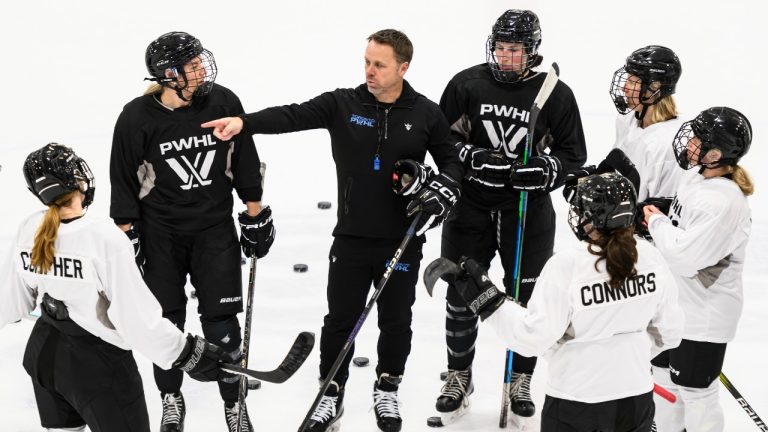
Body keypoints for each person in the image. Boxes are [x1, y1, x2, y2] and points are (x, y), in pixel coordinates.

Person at [202, 29, 463, 432]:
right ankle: (331, 392)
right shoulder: (343, 103)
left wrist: (443, 188)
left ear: (403, 67)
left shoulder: (426, 114)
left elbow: (452, 163)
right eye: (366, 62)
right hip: (352, 238)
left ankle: (387, 387)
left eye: (379, 65)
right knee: (340, 319)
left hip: (403, 239)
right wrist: (244, 123)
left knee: (396, 320)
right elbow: (293, 114)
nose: (370, 71)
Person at [0, 143, 233, 432]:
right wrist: (185, 353)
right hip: (99, 368)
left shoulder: (29, 227)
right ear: (74, 181)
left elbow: (11, 305)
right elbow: (135, 320)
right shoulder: (103, 238)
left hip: (43, 357)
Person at [109, 31, 275, 432]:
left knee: (223, 323)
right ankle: (171, 397)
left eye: (201, 60)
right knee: (165, 323)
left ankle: (234, 404)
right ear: (168, 75)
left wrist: (255, 213)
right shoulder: (137, 117)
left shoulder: (223, 101)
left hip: (214, 231)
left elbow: (245, 159)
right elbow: (124, 181)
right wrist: (126, 235)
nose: (203, 68)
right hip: (159, 236)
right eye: (192, 64)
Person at [434, 9, 587, 421]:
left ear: (532, 50)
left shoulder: (556, 93)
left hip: (527, 209)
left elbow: (574, 156)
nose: (505, 57)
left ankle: (519, 377)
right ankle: (459, 375)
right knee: (461, 289)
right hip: (470, 204)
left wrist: (547, 170)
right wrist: (472, 155)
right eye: (500, 48)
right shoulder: (467, 83)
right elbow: (439, 140)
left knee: (527, 297)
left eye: (515, 50)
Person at [446, 172, 684, 432]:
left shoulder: (568, 265)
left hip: (576, 400)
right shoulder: (650, 256)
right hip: (636, 397)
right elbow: (670, 333)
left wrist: (488, 302)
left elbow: (532, 337)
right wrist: (625, 354)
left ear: (592, 218)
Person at [642, 107, 753, 432]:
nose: (688, 142)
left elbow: (685, 257)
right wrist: (661, 210)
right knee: (663, 383)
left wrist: (656, 221)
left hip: (703, 318)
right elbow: (683, 219)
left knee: (697, 396)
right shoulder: (696, 176)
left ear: (716, 153)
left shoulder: (724, 202)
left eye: (698, 139)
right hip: (675, 309)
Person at [608, 45, 683, 201]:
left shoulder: (666, 145)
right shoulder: (627, 119)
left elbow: (659, 209)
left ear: (654, 87)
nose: (624, 88)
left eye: (632, 81)